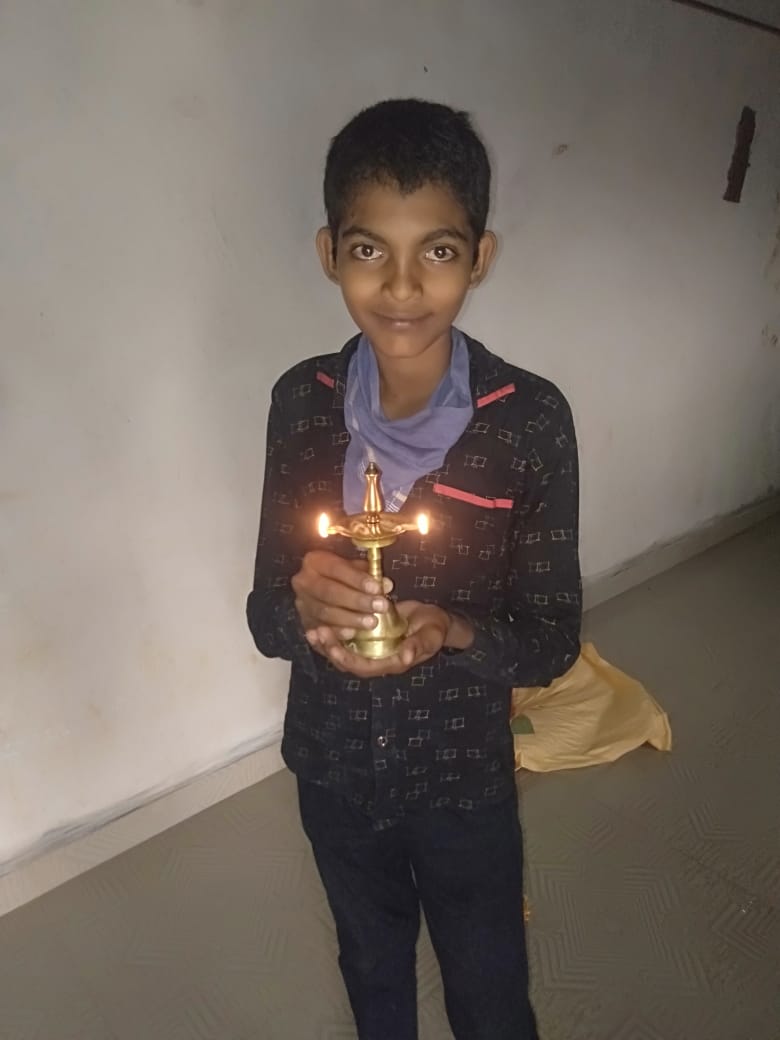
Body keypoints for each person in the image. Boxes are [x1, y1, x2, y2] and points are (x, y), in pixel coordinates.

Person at [247, 98, 581, 1040]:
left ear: (480, 257)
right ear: (329, 252)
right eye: (368, 250)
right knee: (372, 974)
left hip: (460, 780)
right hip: (332, 769)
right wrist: (304, 610)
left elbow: (553, 640)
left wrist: (455, 630)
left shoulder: (528, 423)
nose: (401, 286)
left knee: (489, 989)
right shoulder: (301, 404)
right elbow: (264, 614)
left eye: (436, 250)